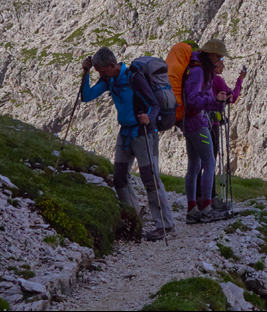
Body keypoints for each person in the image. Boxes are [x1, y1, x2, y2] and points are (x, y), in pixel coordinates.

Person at [80, 47, 176, 241]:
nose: (101, 74)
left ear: (111, 65)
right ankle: (134, 219)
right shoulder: (110, 79)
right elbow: (86, 96)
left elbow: (154, 105)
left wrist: (148, 118)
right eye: (98, 71)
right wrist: (86, 73)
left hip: (143, 134)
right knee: (119, 177)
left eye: (101, 70)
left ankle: (166, 226)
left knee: (150, 179)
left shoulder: (135, 78)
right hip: (125, 133)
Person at [182, 39, 231, 223]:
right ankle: (206, 210)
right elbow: (193, 99)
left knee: (194, 167)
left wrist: (216, 100)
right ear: (210, 54)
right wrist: (214, 102)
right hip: (197, 122)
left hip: (191, 122)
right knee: (209, 163)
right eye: (218, 56)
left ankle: (192, 210)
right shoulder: (198, 71)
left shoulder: (200, 69)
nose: (219, 59)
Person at [196, 54, 246, 206]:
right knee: (211, 161)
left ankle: (198, 195)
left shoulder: (203, 78)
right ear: (214, 64)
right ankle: (211, 197)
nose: (223, 66)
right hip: (213, 124)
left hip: (200, 123)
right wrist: (240, 80)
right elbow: (233, 97)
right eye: (221, 63)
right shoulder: (216, 80)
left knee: (199, 162)